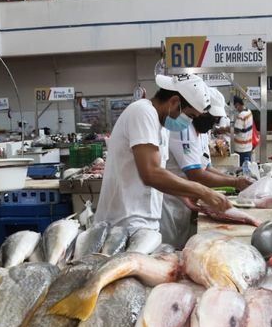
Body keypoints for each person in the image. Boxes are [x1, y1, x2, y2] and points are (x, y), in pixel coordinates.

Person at [94, 73, 231, 232]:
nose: (189, 122)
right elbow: (151, 173)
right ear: (174, 102)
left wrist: (182, 194)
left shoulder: (162, 126)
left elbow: (159, 174)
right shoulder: (142, 112)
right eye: (190, 116)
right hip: (122, 224)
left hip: (143, 222)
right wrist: (203, 191)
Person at [159, 88, 254, 247]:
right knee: (168, 249)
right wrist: (235, 183)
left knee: (183, 246)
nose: (213, 123)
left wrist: (236, 180)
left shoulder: (202, 133)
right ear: (200, 112)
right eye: (211, 117)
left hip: (186, 200)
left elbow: (207, 167)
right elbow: (196, 174)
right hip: (169, 203)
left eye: (216, 119)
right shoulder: (183, 130)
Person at [232, 95, 254, 165]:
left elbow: (236, 130)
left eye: (234, 106)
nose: (235, 109)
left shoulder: (241, 115)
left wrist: (224, 129)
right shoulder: (249, 111)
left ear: (237, 105)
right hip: (248, 147)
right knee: (247, 167)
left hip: (241, 149)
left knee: (243, 168)